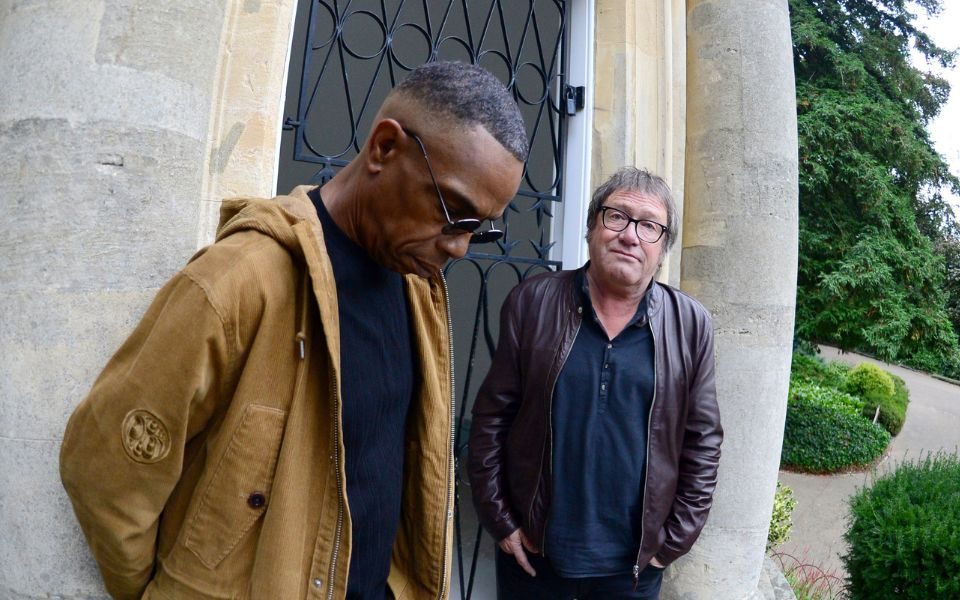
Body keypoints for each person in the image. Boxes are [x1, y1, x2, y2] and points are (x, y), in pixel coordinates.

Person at [60, 61, 527, 600]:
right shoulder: (240, 278)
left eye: (478, 229)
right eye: (453, 211)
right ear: (383, 148)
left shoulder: (419, 293)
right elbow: (104, 470)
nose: (458, 246)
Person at [468, 167, 723, 599]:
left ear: (661, 250)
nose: (630, 236)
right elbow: (491, 420)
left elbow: (703, 443)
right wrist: (502, 524)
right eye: (616, 216)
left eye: (649, 227)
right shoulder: (533, 303)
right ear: (591, 228)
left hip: (633, 571)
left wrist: (671, 544)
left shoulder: (690, 325)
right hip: (536, 558)